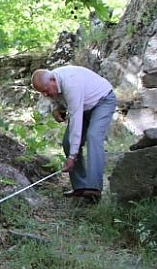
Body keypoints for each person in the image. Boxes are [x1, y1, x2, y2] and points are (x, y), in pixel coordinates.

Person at [31, 66, 116, 202]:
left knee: (93, 136)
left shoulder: (71, 83)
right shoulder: (53, 83)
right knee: (68, 143)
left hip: (103, 101)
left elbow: (76, 120)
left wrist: (72, 157)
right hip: (84, 106)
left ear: (53, 79)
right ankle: (80, 188)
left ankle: (94, 188)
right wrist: (56, 109)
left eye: (46, 90)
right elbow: (54, 98)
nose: (45, 95)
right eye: (42, 92)